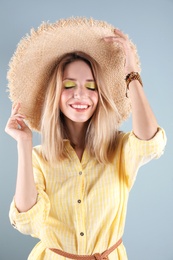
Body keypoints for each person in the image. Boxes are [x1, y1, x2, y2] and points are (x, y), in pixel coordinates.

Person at [5, 17, 166, 260]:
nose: (81, 94)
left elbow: (150, 142)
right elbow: (28, 221)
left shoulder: (119, 149)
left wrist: (131, 74)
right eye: (69, 85)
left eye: (91, 87)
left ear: (99, 95)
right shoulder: (39, 158)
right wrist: (24, 143)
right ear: (55, 96)